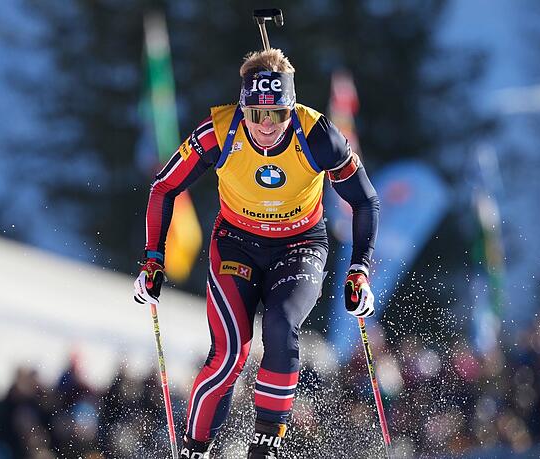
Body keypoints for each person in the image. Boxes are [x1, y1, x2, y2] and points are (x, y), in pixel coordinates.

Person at [134, 48, 380, 459]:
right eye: (256, 113)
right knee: (230, 354)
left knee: (282, 327)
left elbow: (366, 200)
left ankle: (263, 450)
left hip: (300, 245)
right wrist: (153, 260)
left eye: (278, 114)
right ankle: (196, 450)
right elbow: (164, 186)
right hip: (237, 245)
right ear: (243, 107)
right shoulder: (218, 131)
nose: (266, 126)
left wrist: (360, 270)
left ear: (291, 109)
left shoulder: (317, 134)